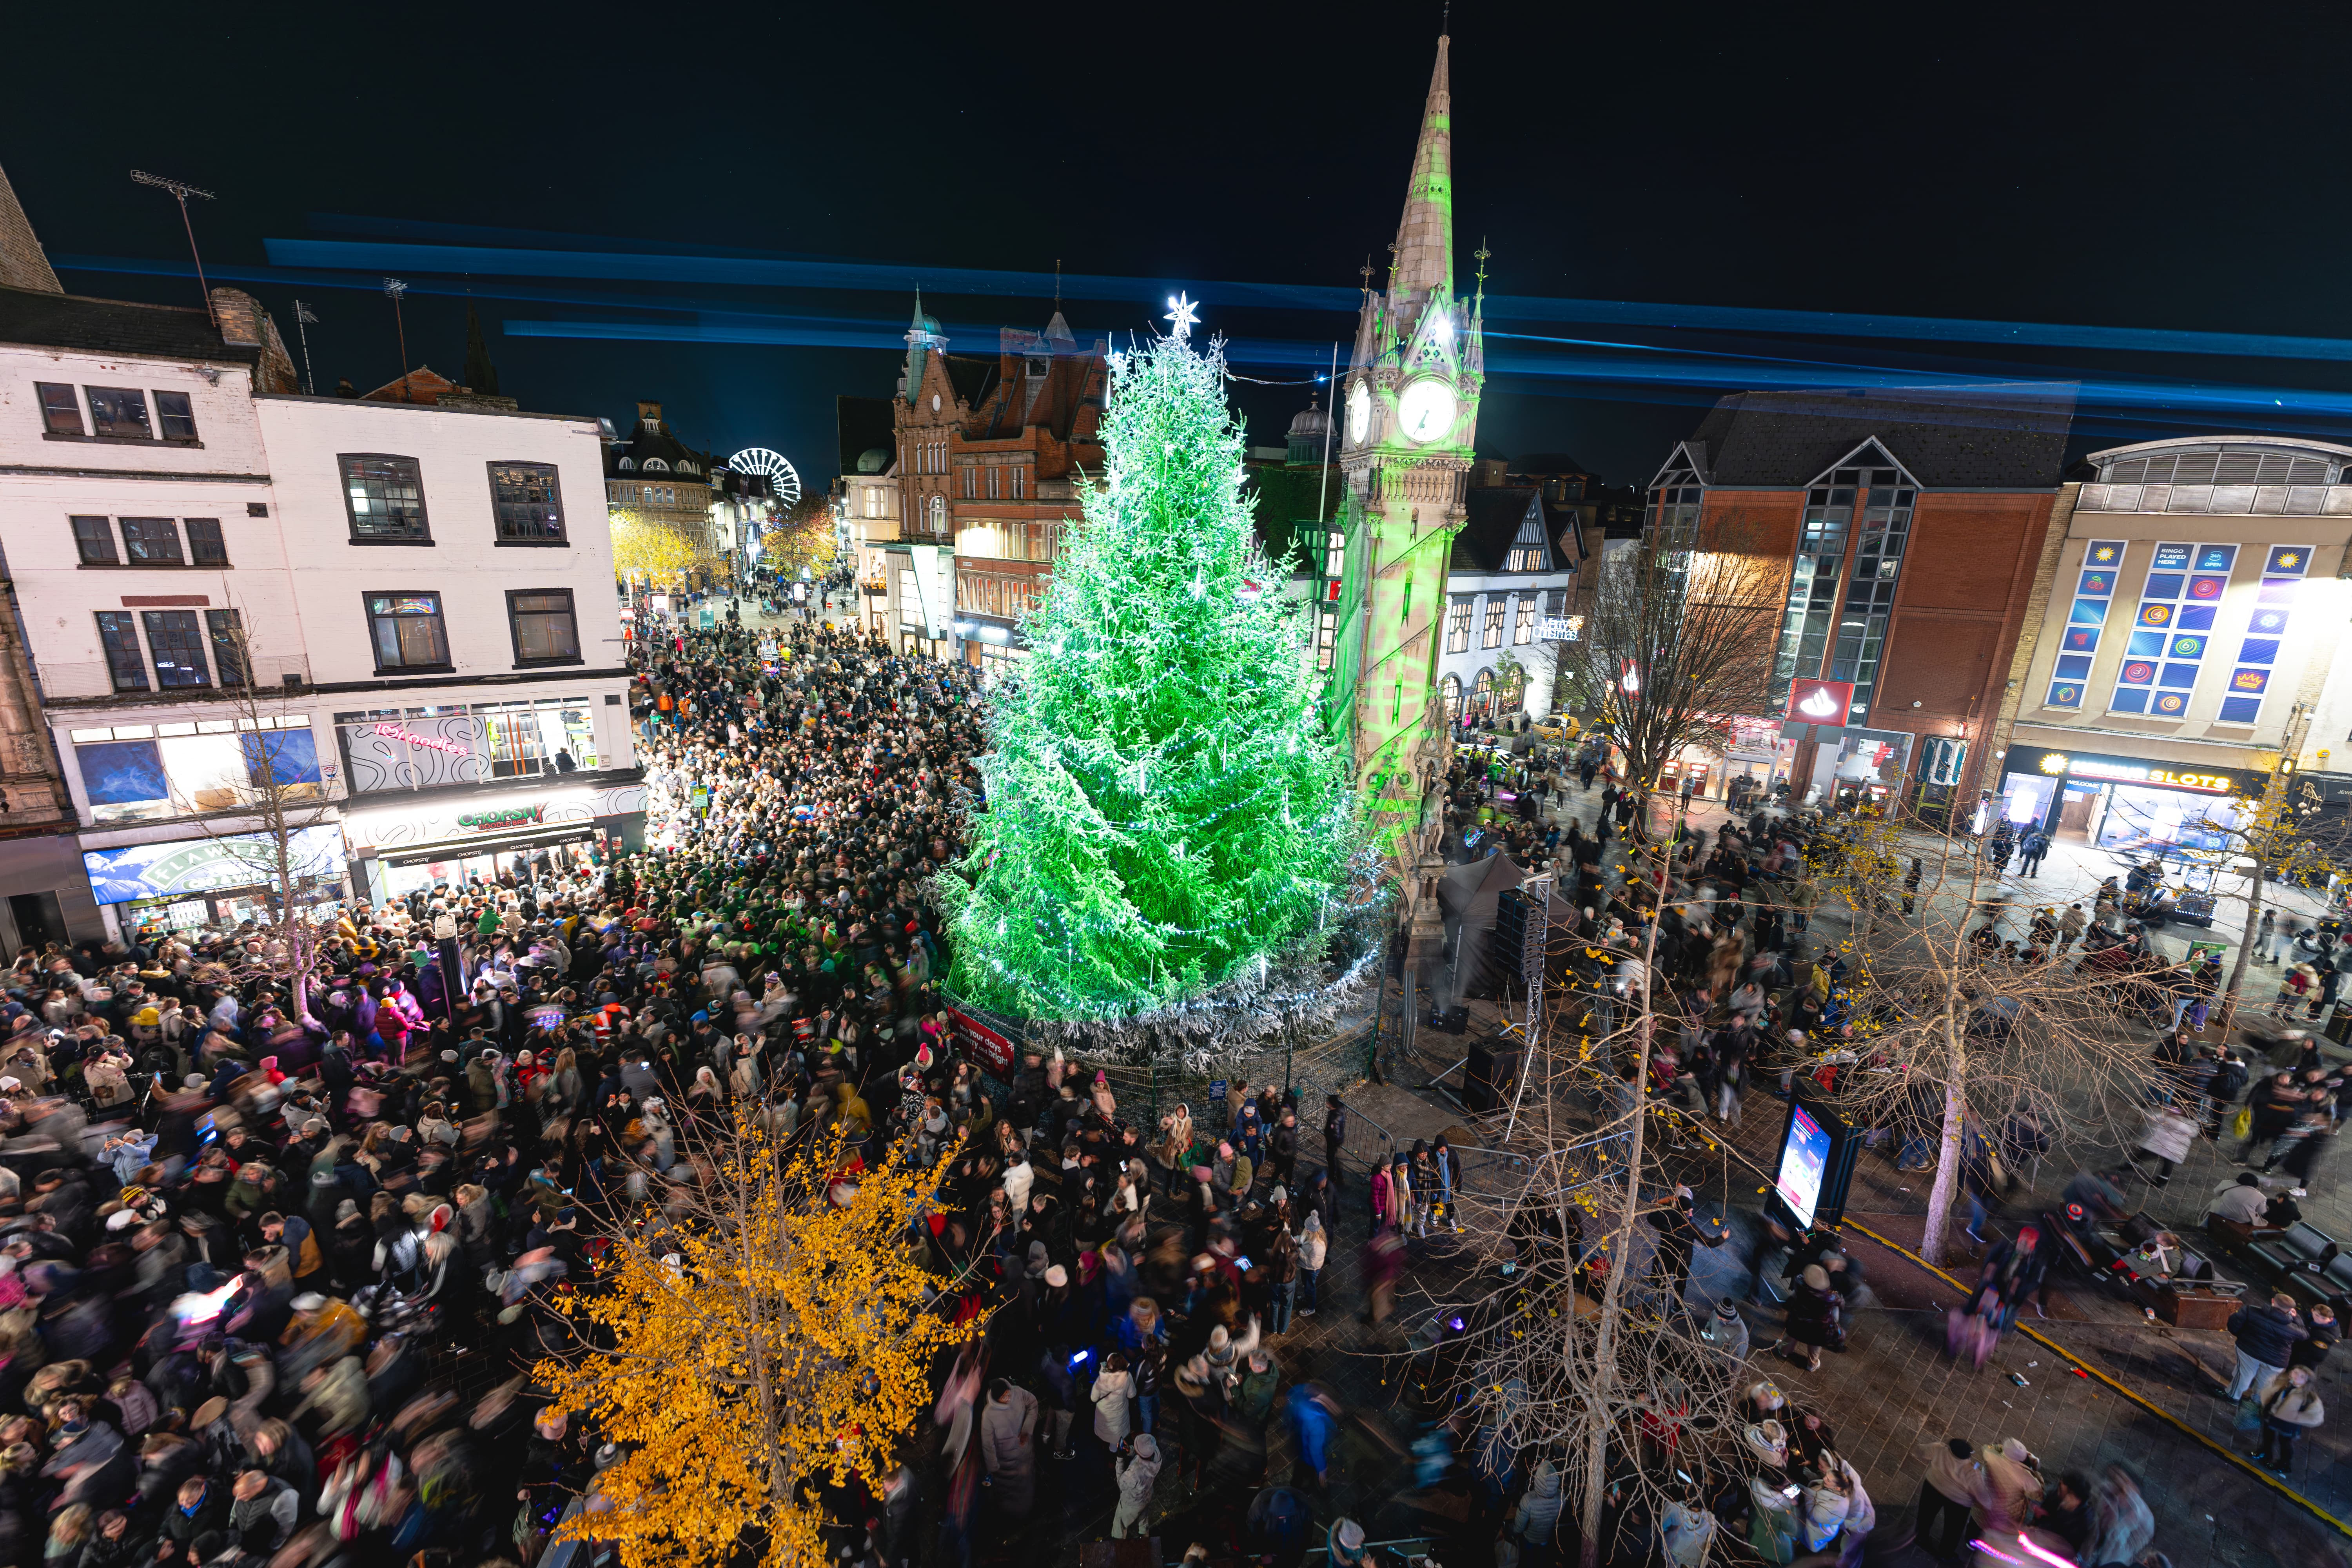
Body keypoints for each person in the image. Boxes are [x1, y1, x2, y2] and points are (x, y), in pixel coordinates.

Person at [2222, 1292, 2308, 1400]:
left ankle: (2233, 1397)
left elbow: (2233, 1325)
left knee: (2244, 1375)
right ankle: (2256, 1404)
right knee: (2266, 1383)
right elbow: (2305, 1335)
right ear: (2291, 1310)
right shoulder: (2295, 1329)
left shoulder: (2250, 1311)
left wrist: (2242, 1337)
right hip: (2276, 1361)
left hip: (2250, 1350)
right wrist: (2297, 1318)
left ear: (2273, 1301)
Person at [1112, 1433, 1161, 1537]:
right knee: (1143, 1518)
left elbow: (1122, 1484)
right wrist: (1130, 1451)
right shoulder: (1156, 1454)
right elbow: (1145, 1456)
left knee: (1120, 1524)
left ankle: (1119, 1545)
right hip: (1147, 1496)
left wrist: (1120, 1459)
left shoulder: (1134, 1472)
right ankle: (1145, 1539)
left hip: (1132, 1503)